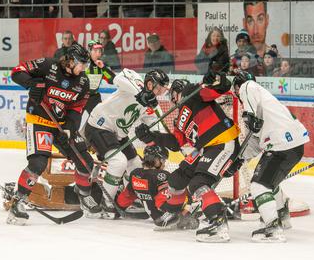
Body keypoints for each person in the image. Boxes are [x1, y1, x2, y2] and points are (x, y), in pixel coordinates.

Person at [134, 72, 240, 242]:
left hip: (222, 142)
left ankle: (218, 222)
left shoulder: (195, 94)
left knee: (199, 183)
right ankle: (177, 216)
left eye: (173, 96)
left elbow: (220, 88)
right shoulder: (179, 118)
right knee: (177, 178)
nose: (172, 100)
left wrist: (217, 77)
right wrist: (151, 136)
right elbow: (176, 143)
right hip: (204, 149)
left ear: (179, 91)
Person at [5, 43, 101, 225]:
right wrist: (31, 83)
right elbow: (17, 71)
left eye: (85, 65)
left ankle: (83, 195)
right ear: (71, 60)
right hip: (39, 121)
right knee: (38, 163)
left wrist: (70, 128)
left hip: (62, 126)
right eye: (81, 64)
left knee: (85, 161)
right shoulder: (48, 65)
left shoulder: (82, 82)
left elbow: (77, 108)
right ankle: (18, 202)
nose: (83, 68)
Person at [231, 71, 309, 242]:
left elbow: (247, 86)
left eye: (236, 91)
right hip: (294, 145)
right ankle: (282, 216)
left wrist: (248, 115)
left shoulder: (248, 87)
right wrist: (240, 159)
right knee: (270, 182)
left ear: (238, 87)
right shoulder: (265, 104)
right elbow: (254, 141)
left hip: (281, 144)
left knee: (258, 185)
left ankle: (273, 227)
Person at [84, 68, 169, 219]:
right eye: (159, 88)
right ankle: (106, 203)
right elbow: (118, 79)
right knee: (118, 162)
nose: (160, 93)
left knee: (136, 167)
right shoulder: (134, 80)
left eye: (163, 90)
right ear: (149, 84)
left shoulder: (152, 105)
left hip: (117, 134)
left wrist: (161, 142)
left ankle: (132, 197)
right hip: (99, 125)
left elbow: (157, 126)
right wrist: (140, 93)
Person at [116, 145, 198, 230]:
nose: (164, 162)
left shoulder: (135, 173)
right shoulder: (161, 175)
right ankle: (186, 214)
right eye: (163, 159)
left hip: (154, 215)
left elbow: (126, 196)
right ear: (155, 159)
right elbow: (161, 201)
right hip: (166, 217)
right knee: (189, 192)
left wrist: (118, 208)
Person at [81, 40, 116, 130]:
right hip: (80, 97)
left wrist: (103, 68)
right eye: (95, 51)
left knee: (100, 120)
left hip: (94, 97)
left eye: (100, 51)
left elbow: (113, 80)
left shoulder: (102, 65)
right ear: (89, 51)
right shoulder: (82, 63)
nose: (98, 53)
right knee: (75, 120)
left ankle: (89, 137)